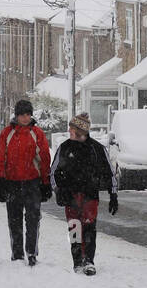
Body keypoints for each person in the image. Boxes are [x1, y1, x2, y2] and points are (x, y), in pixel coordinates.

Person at [50, 112, 117, 276]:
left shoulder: (97, 149)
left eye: (72, 129)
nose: (69, 131)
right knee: (74, 228)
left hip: (90, 195)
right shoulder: (64, 148)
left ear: (82, 131)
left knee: (89, 227)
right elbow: (52, 172)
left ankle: (89, 261)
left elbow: (109, 172)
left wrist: (113, 194)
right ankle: (77, 261)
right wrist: (58, 190)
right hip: (70, 195)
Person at [0, 99, 52, 265]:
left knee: (33, 219)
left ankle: (32, 252)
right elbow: (0, 158)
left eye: (28, 114)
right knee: (14, 220)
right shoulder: (7, 133)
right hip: (12, 183)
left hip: (32, 183)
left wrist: (45, 182)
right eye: (22, 115)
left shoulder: (37, 134)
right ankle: (17, 254)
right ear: (16, 116)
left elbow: (44, 159)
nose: (25, 118)